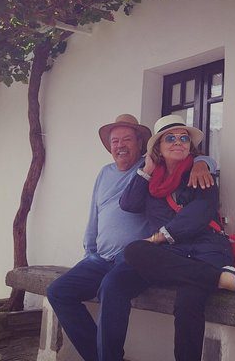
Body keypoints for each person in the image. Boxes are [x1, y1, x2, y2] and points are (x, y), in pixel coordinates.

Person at [46, 114, 216, 361]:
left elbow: (188, 157)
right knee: (58, 292)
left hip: (134, 259)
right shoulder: (104, 173)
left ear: (141, 144)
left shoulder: (150, 168)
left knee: (111, 289)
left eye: (127, 139)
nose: (120, 145)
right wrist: (89, 251)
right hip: (99, 258)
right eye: (115, 141)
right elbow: (94, 215)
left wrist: (203, 163)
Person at [120, 114, 235, 361]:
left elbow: (199, 214)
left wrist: (157, 238)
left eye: (183, 138)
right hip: (178, 257)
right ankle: (226, 279)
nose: (178, 142)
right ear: (158, 148)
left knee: (187, 304)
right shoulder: (153, 182)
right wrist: (146, 170)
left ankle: (218, 275)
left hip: (206, 249)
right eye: (170, 139)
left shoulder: (200, 172)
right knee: (133, 250)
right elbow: (128, 203)